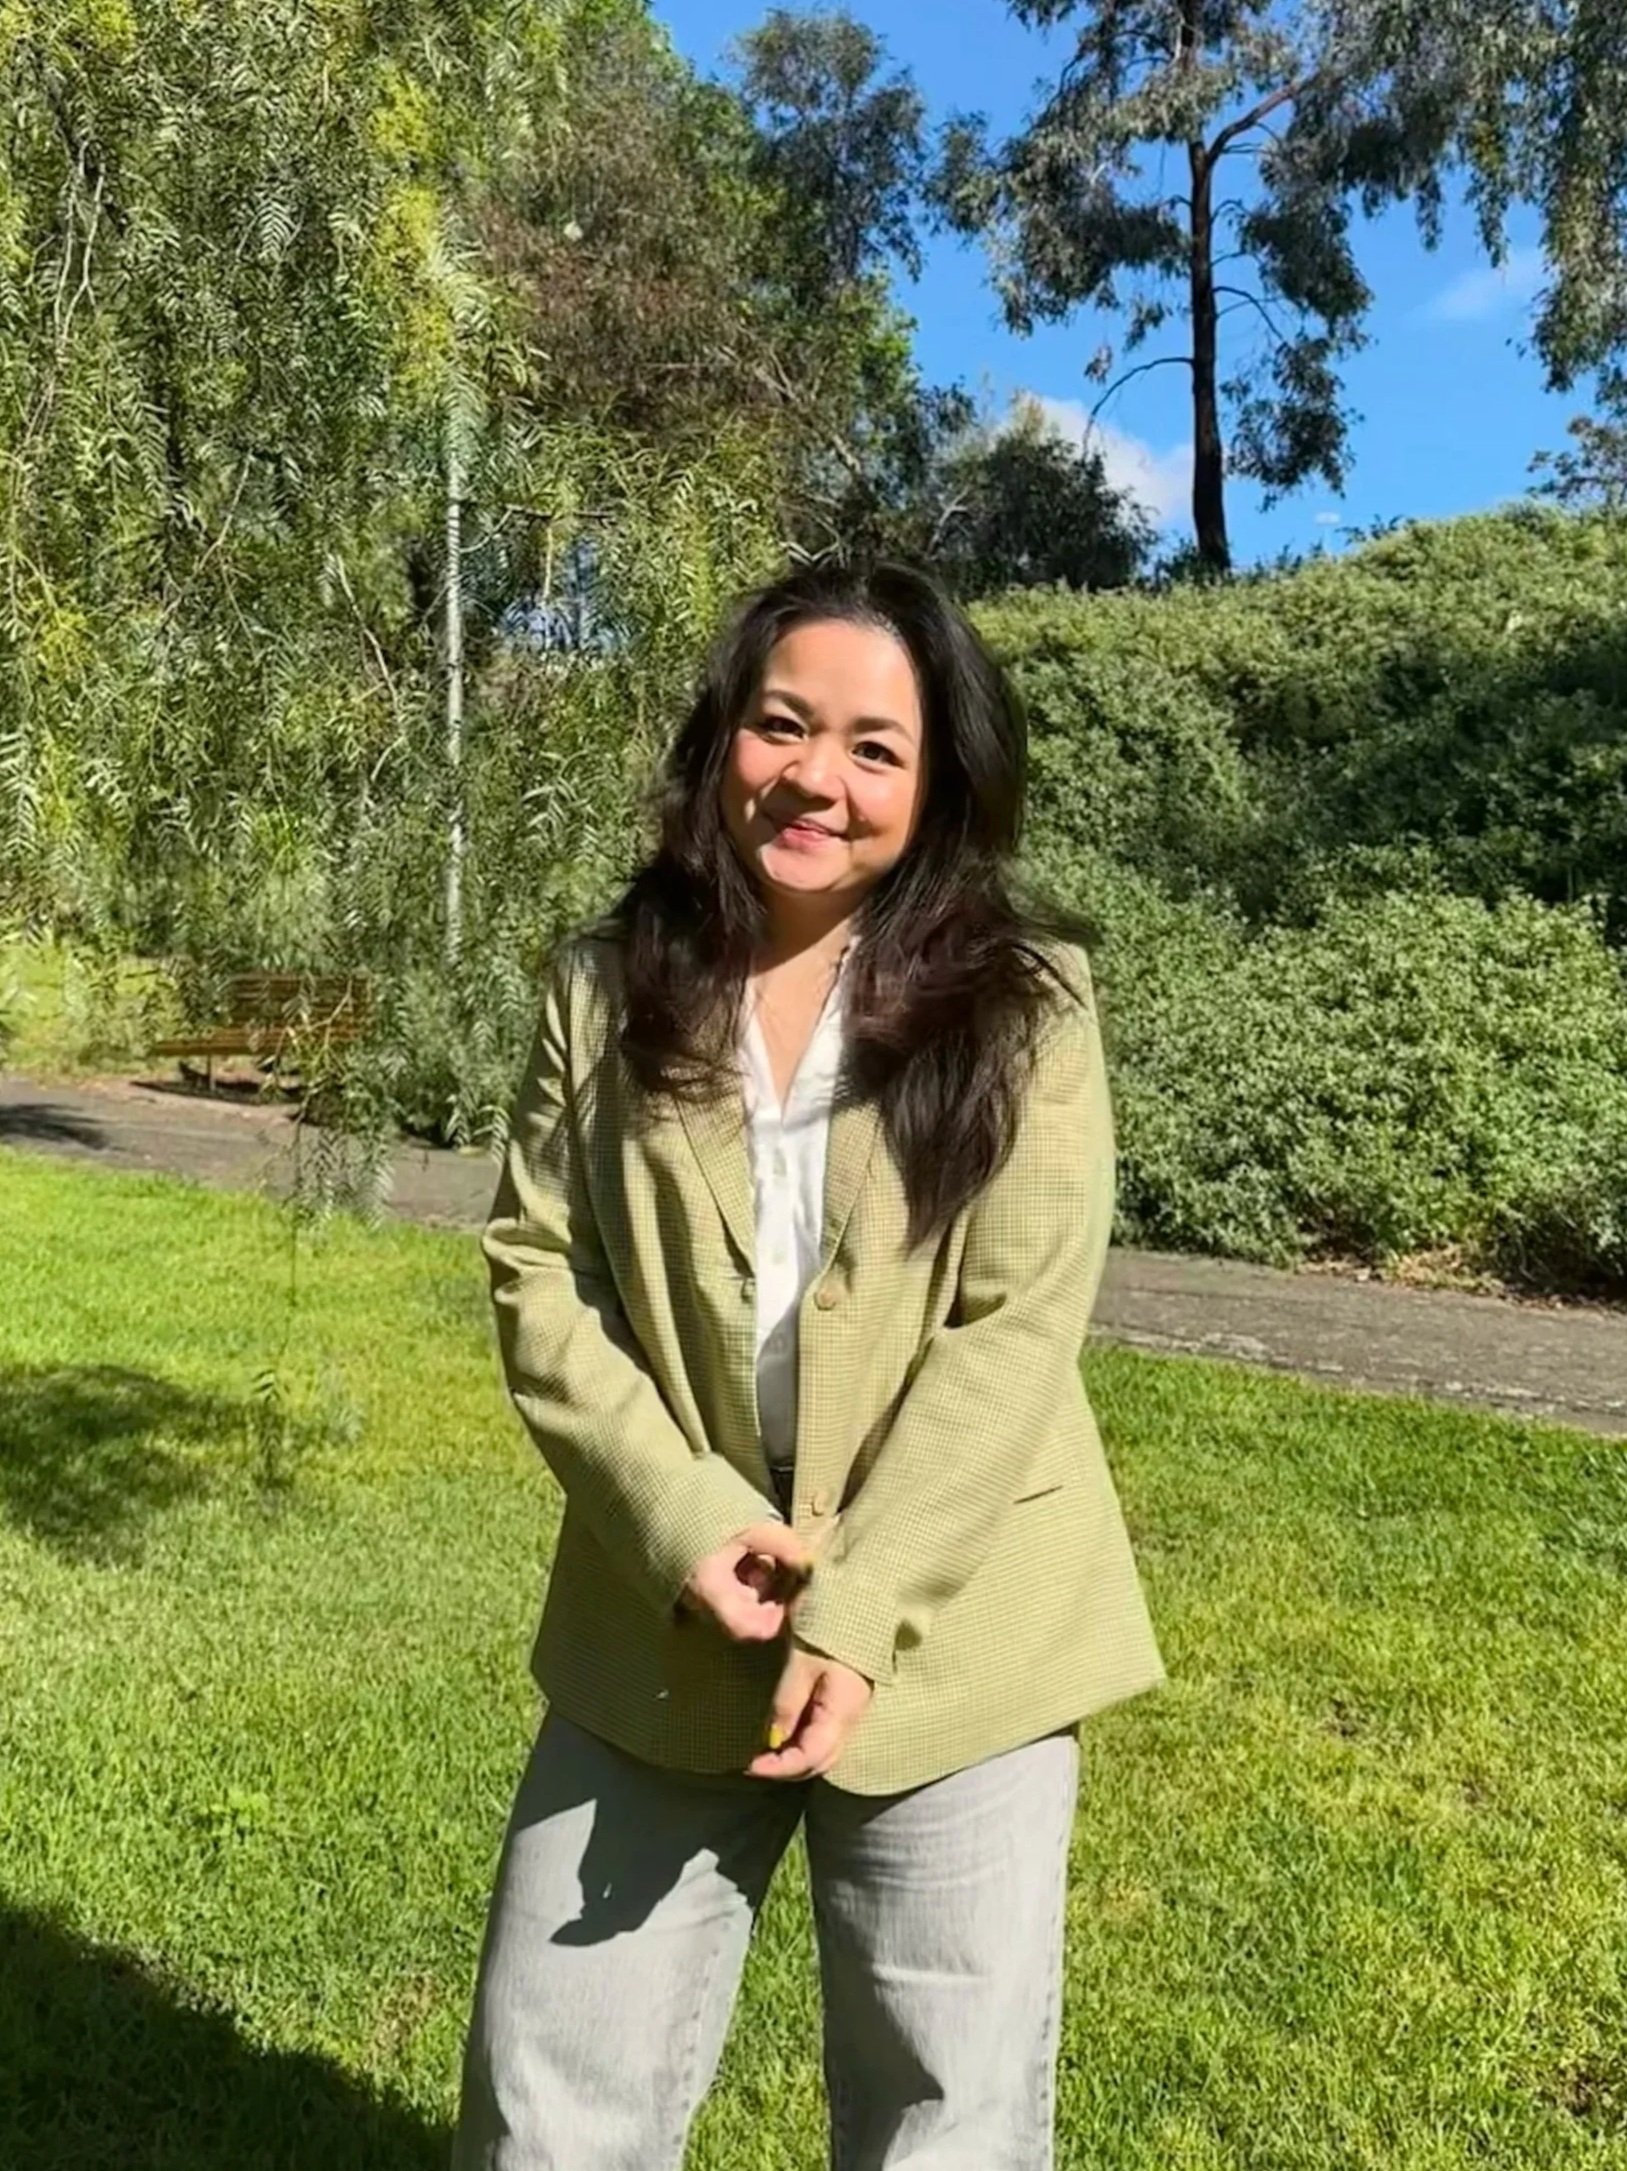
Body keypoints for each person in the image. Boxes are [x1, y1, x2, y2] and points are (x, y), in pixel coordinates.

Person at [451, 561, 1165, 2170]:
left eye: (872, 749)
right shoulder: (603, 984)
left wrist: (856, 1609)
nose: (815, 781)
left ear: (940, 782)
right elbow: (538, 1273)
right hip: (669, 1604)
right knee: (545, 2091)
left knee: (944, 2115)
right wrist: (684, 1519)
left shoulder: (1027, 1007)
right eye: (783, 726)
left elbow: (1017, 1329)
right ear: (725, 741)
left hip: (959, 1620)